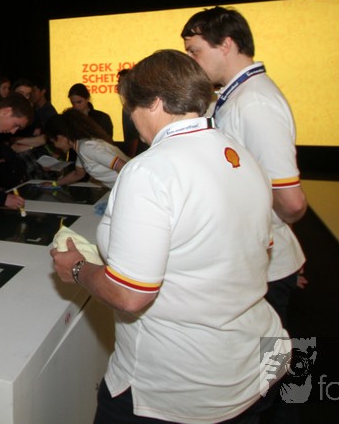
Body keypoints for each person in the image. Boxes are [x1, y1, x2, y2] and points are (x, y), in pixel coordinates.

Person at [51, 50, 289, 423]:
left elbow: (130, 295)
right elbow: (254, 251)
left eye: (131, 108)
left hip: (177, 384)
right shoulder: (241, 155)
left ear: (155, 103)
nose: (132, 120)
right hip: (253, 365)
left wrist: (78, 268)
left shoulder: (150, 171)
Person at [181, 6, 307, 326]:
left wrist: (272, 224)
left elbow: (292, 203)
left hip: (265, 263)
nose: (191, 61)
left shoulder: (254, 102)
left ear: (226, 44)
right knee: (261, 349)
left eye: (195, 51)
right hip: (252, 258)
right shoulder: (237, 96)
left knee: (270, 352)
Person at [44, 109, 129, 188]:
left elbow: (123, 166)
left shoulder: (86, 148)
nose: (55, 146)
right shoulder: (81, 147)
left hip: (129, 185)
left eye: (53, 142)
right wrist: (54, 184)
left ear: (60, 136)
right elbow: (78, 174)